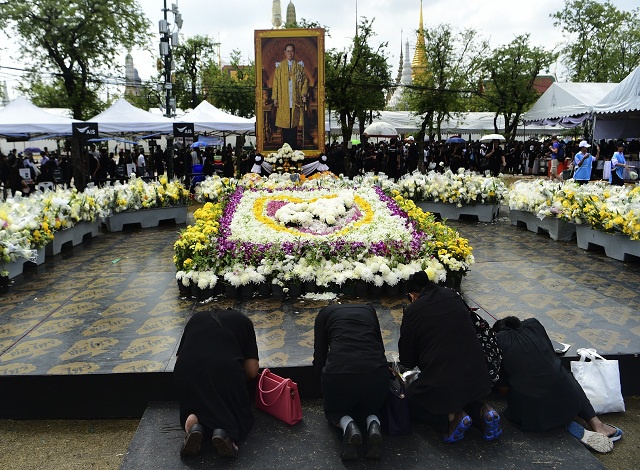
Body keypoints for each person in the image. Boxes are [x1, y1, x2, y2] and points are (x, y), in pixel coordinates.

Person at [492, 316, 622, 453]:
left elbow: (504, 390)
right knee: (564, 375)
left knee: (519, 392)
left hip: (533, 417)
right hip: (569, 400)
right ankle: (597, 424)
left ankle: (560, 423)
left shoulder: (497, 341)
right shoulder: (534, 325)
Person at [399, 271, 502, 443]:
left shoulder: (413, 310)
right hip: (479, 377)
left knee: (410, 401)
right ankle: (483, 411)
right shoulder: (452, 295)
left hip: (442, 381)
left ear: (412, 295)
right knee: (460, 391)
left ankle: (451, 418)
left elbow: (407, 360)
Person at [173, 308, 259, 459]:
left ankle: (193, 422)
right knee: (236, 412)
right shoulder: (243, 321)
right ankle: (226, 434)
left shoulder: (196, 318)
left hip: (187, 374)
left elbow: (180, 358)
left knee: (196, 401)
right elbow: (252, 371)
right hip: (225, 370)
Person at [313, 304, 388, 460]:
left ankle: (349, 426)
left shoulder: (323, 314)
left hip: (340, 373)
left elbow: (320, 355)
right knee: (371, 407)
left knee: (336, 411)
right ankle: (374, 424)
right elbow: (379, 347)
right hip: (375, 372)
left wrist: (324, 383)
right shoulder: (369, 310)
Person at [272, 43, 308, 149]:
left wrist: (303, 94)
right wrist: (275, 97)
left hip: (295, 100)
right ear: (284, 53)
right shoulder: (280, 67)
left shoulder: (299, 66)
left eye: (291, 51)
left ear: (294, 52)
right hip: (284, 100)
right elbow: (275, 82)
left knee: (294, 124)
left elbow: (305, 81)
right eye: (287, 51)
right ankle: (285, 148)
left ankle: (294, 148)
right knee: (285, 125)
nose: (290, 53)